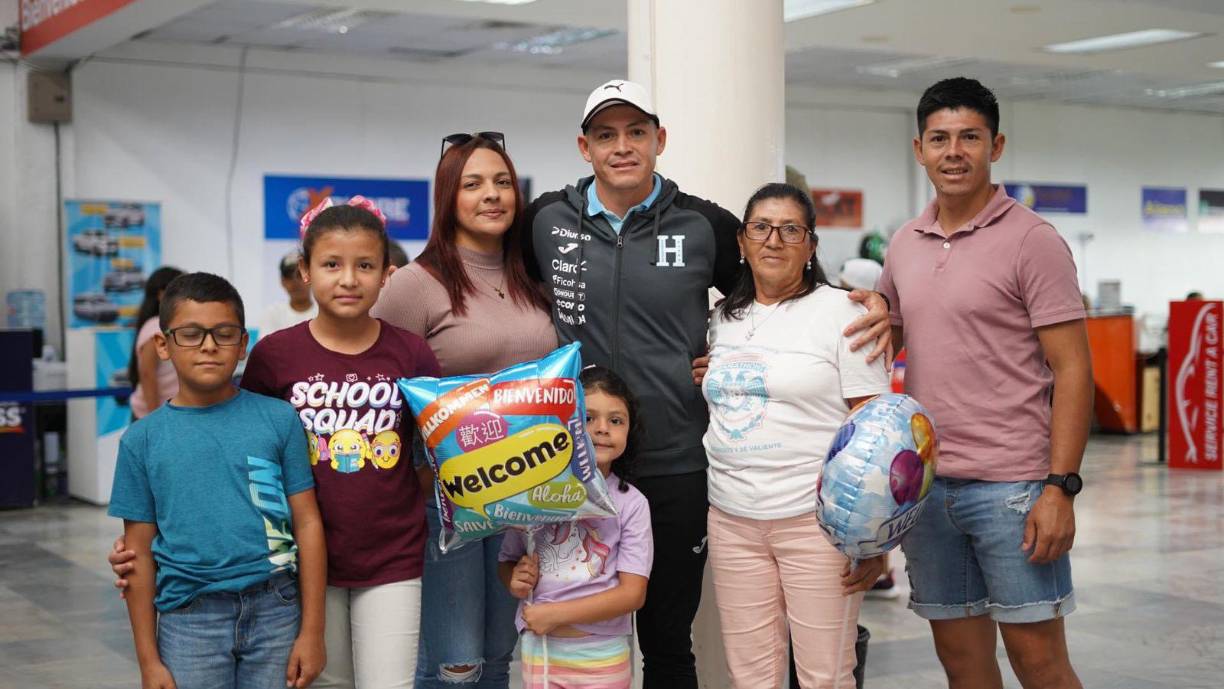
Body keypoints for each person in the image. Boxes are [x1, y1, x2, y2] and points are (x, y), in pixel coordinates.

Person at [522, 79, 893, 688]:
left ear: (660, 140)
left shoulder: (704, 224)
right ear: (584, 147)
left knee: (669, 643)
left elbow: (775, 289)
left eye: (637, 132)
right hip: (576, 465)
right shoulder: (546, 219)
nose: (623, 146)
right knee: (573, 632)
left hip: (678, 465)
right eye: (606, 135)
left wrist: (865, 302)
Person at [111, 198, 441, 689]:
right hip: (296, 566)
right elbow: (240, 444)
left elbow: (432, 452)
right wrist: (144, 545)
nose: (348, 279)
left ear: (387, 274)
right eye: (332, 264)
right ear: (305, 271)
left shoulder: (410, 351)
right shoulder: (275, 355)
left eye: (365, 266)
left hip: (392, 554)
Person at [878, 77, 1091, 689]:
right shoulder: (905, 242)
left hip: (1013, 489)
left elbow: (1073, 368)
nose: (954, 152)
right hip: (927, 485)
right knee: (962, 662)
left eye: (969, 137)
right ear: (919, 149)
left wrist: (1060, 488)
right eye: (939, 138)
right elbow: (877, 337)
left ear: (995, 146)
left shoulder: (1032, 240)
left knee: (1039, 663)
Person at [371, 132, 557, 688]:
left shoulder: (533, 279)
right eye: (473, 184)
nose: (492, 195)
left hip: (528, 491)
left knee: (501, 654)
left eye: (502, 182)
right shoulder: (413, 286)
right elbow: (383, 391)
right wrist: (417, 474)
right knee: (455, 662)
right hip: (446, 499)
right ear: (448, 196)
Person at [701, 183, 887, 689]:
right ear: (742, 242)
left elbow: (877, 431)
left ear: (811, 246)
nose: (773, 240)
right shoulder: (722, 319)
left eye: (790, 229)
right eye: (761, 227)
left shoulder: (846, 313)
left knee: (825, 675)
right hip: (732, 519)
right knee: (750, 676)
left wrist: (874, 537)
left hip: (817, 523)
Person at [107, 272, 326, 689]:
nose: (208, 346)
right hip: (189, 619)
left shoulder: (278, 419)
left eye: (223, 334)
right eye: (191, 334)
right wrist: (148, 661)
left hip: (277, 608)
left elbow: (308, 522)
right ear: (163, 345)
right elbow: (138, 556)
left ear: (242, 344)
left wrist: (312, 632)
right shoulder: (141, 440)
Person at [498, 366, 652, 689]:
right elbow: (508, 562)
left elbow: (633, 593)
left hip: (602, 656)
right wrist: (515, 579)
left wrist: (555, 614)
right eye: (588, 418)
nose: (602, 429)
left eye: (616, 421)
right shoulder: (532, 494)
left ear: (630, 430)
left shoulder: (632, 504)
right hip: (540, 652)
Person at [128, 266, 184, 419]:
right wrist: (155, 419)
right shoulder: (155, 326)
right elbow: (147, 374)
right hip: (152, 415)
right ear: (161, 294)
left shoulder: (171, 325)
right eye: (181, 291)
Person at [258, 251, 316, 339]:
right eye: (289, 277)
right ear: (282, 281)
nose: (295, 282)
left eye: (300, 275)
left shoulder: (326, 313)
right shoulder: (272, 314)